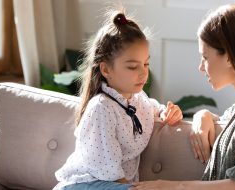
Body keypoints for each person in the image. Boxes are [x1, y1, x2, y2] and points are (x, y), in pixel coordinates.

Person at [131, 4, 235, 190]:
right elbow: (231, 122)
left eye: (205, 57)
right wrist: (203, 114)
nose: (201, 67)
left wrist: (169, 186)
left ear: (228, 56)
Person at [53, 9, 183, 190]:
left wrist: (166, 112)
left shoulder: (138, 99)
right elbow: (110, 172)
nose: (143, 72)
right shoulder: (101, 108)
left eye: (146, 64)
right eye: (132, 67)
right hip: (85, 184)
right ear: (106, 70)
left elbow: (152, 107)